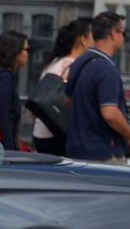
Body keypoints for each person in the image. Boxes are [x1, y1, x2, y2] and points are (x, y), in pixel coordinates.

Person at [65, 12, 130, 164]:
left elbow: (68, 101)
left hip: (77, 150)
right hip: (103, 152)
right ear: (114, 33)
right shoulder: (107, 69)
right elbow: (110, 113)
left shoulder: (79, 63)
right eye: (123, 33)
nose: (124, 37)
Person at [31, 17, 93, 156]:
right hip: (58, 133)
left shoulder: (53, 62)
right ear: (82, 39)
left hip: (41, 131)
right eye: (92, 36)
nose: (94, 41)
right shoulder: (75, 65)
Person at [0, 30, 29, 151]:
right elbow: (3, 118)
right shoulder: (6, 77)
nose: (27, 54)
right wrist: (10, 152)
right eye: (26, 50)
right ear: (15, 52)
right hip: (1, 150)